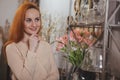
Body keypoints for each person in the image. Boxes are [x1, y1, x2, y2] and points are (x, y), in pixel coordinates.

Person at [3, 2, 59, 80]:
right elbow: (24, 78)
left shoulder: (46, 45)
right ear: (20, 23)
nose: (34, 24)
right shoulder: (11, 48)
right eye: (28, 20)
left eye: (37, 19)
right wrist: (31, 50)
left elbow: (55, 75)